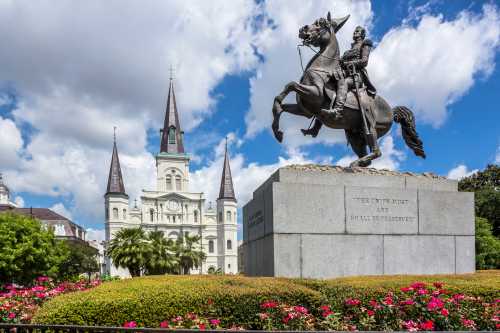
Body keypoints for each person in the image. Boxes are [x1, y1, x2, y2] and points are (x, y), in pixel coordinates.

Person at [302, 26, 376, 137]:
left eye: (357, 31)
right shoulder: (349, 49)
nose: (355, 33)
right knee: (325, 88)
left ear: (362, 34)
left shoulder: (365, 43)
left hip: (356, 76)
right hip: (344, 73)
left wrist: (349, 64)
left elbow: (364, 61)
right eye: (354, 31)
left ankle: (338, 110)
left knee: (344, 83)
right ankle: (316, 128)